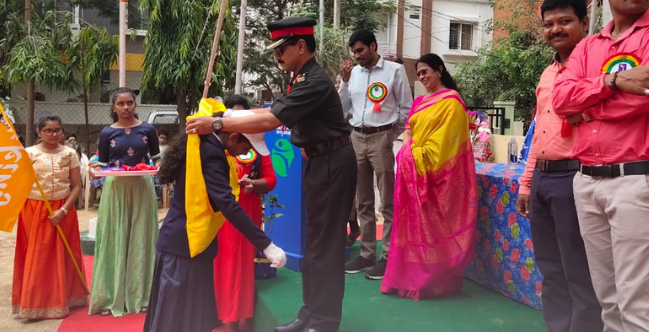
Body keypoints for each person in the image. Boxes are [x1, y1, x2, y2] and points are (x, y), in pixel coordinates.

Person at [186, 17, 357, 332]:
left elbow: (270, 121)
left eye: (281, 49)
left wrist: (217, 124)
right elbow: (267, 112)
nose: (277, 56)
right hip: (319, 161)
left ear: (301, 46)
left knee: (326, 245)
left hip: (332, 163)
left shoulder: (314, 81)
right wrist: (222, 113)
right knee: (315, 242)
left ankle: (325, 320)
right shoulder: (300, 78)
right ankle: (310, 313)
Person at [552, 0, 649, 332]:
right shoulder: (588, 45)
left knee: (638, 303)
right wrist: (613, 81)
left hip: (639, 181)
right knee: (608, 301)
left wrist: (586, 108)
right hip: (588, 181)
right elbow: (560, 100)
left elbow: (645, 98)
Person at [144, 107, 286, 332]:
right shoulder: (211, 152)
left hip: (189, 245)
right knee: (175, 321)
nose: (247, 152)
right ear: (233, 137)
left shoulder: (206, 144)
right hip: (184, 245)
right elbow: (226, 203)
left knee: (189, 319)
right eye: (247, 146)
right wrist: (266, 245)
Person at [515, 0, 603, 332]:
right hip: (542, 177)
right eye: (548, 24)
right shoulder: (548, 73)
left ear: (584, 22)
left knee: (578, 270)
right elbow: (539, 133)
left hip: (575, 176)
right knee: (550, 268)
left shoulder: (597, 68)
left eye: (565, 21)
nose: (555, 29)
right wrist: (527, 182)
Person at [379, 53, 477, 300]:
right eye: (419, 74)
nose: (422, 77)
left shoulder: (452, 102)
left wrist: (413, 154)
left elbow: (444, 145)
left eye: (425, 72)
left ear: (439, 70)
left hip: (436, 176)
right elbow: (409, 130)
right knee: (413, 228)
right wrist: (408, 151)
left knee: (434, 229)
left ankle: (433, 280)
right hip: (413, 169)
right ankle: (409, 277)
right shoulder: (420, 101)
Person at [339, 30, 412, 279]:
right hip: (356, 137)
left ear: (373, 45)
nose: (357, 56)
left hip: (382, 136)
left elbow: (406, 108)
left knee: (387, 200)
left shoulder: (394, 70)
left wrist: (390, 135)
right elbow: (343, 109)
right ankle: (367, 255)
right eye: (354, 52)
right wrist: (344, 82)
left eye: (360, 50)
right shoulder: (353, 74)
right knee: (363, 200)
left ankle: (387, 257)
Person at [89, 87, 162, 317]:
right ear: (113, 107)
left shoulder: (148, 129)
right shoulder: (106, 133)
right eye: (120, 104)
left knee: (142, 236)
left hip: (142, 186)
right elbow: (102, 164)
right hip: (116, 189)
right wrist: (93, 168)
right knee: (115, 236)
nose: (126, 107)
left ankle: (143, 295)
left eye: (129, 102)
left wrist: (160, 168)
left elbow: (157, 159)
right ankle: (111, 296)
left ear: (135, 104)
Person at [12, 113, 87, 319]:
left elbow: (77, 186)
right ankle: (34, 303)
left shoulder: (70, 154)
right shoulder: (28, 154)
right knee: (38, 254)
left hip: (64, 208)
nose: (54, 134)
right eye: (48, 131)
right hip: (35, 209)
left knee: (63, 253)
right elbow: (18, 183)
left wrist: (63, 210)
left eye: (57, 130)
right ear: (39, 132)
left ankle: (66, 297)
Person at [214, 95, 278, 332]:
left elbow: (271, 179)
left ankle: (244, 314)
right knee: (222, 263)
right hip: (221, 213)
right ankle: (223, 314)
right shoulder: (218, 147)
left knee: (242, 265)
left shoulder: (255, 146)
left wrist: (254, 184)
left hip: (247, 211)